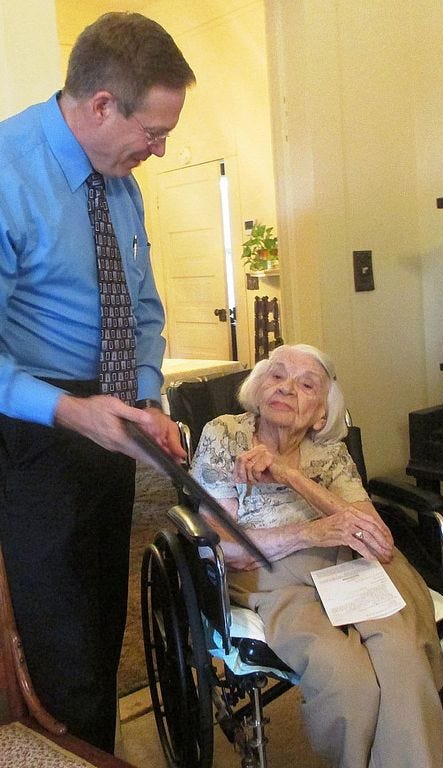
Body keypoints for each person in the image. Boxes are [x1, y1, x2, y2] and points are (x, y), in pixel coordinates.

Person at [0, 12, 194, 753]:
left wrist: (145, 397)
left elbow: (143, 305)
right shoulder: (8, 173)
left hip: (110, 421)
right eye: (153, 130)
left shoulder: (119, 178)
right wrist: (70, 412)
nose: (160, 148)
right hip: (37, 433)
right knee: (62, 650)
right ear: (102, 104)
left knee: (102, 627)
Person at [190, 343, 443, 768]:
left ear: (322, 414)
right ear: (258, 388)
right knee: (347, 679)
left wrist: (291, 475)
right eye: (277, 376)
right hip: (274, 579)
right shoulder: (225, 436)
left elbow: (379, 543)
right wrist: (309, 532)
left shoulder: (329, 452)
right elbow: (227, 551)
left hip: (351, 569)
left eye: (306, 384)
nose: (287, 388)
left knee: (403, 657)